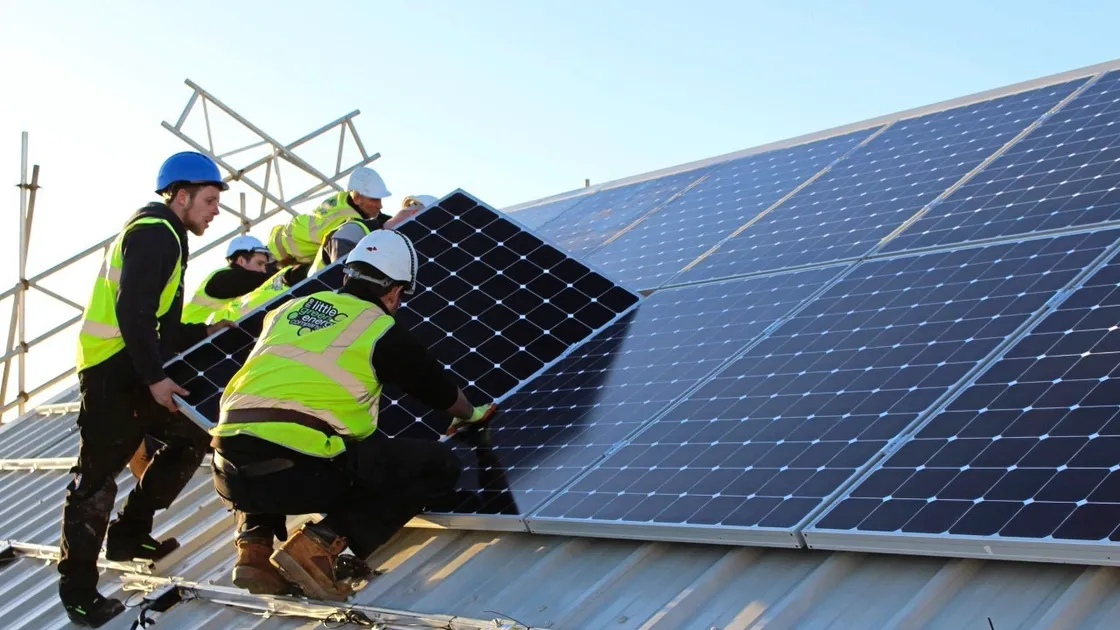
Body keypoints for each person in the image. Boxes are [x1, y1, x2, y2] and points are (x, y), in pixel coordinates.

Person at [209, 229, 495, 601]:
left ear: (348, 275)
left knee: (258, 444)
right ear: (393, 292)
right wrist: (471, 414)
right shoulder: (378, 329)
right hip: (296, 476)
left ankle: (253, 549)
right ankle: (317, 547)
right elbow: (439, 391)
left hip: (225, 470)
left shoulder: (286, 310)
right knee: (438, 465)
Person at [59, 151, 236, 627]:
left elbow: (159, 323)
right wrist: (156, 380)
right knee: (95, 481)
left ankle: (130, 533)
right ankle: (78, 594)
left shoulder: (166, 233)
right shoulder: (157, 233)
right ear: (181, 196)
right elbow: (133, 311)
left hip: (131, 365)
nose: (215, 211)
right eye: (210, 200)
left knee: (192, 435)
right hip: (111, 372)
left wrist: (203, 333)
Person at [267, 166, 415, 266]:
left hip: (282, 239)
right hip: (280, 256)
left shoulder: (344, 198)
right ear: (357, 197)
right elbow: (373, 226)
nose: (379, 205)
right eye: (374, 200)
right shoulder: (344, 223)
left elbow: (374, 218)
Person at [306, 193, 439, 275]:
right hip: (316, 305)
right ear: (414, 215)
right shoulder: (354, 231)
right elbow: (343, 276)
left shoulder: (391, 252)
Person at [181, 235, 274, 324]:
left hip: (196, 333)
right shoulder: (224, 277)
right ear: (242, 261)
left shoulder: (226, 278)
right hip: (188, 334)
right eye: (259, 263)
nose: (263, 270)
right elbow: (253, 280)